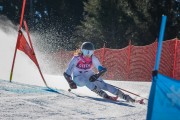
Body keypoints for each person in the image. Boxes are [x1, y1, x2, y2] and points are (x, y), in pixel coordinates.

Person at [63, 42, 135, 102]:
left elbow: (101, 69)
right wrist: (70, 82)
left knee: (104, 85)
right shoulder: (76, 58)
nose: (88, 54)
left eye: (90, 52)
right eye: (86, 51)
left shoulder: (93, 58)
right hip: (78, 78)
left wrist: (97, 75)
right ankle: (104, 95)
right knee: (86, 81)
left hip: (89, 75)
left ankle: (126, 97)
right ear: (82, 51)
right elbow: (66, 73)